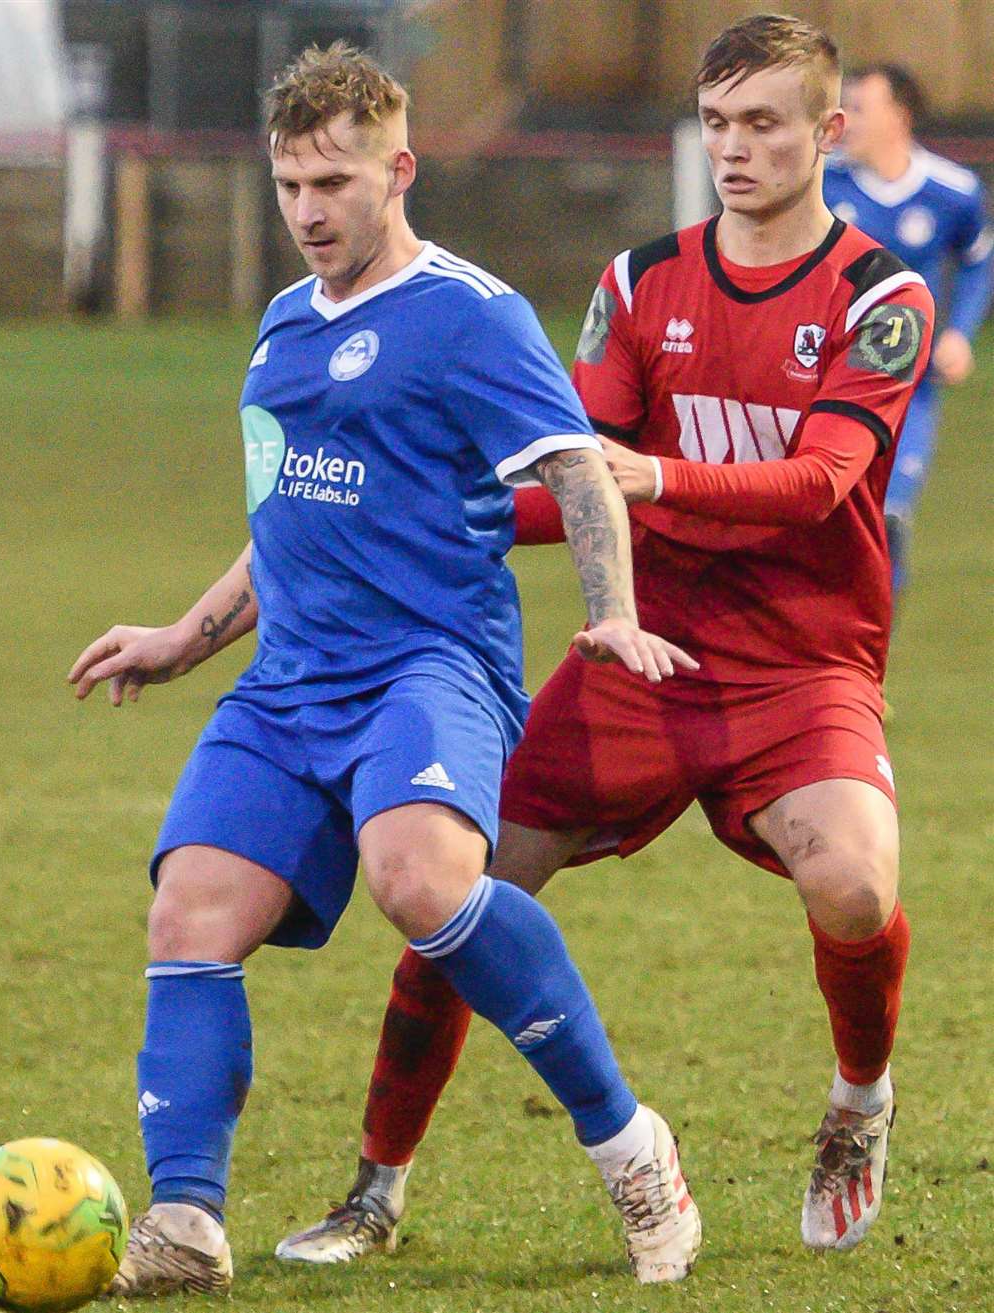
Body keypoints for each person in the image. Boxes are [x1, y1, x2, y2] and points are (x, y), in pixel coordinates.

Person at [274, 13, 935, 1266]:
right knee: (454, 889)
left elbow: (823, 480)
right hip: (640, 649)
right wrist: (407, 510)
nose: (736, 150)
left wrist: (652, 477)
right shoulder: (639, 283)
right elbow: (571, 478)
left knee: (855, 883)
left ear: (827, 134)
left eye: (766, 125)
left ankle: (859, 1098)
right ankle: (375, 1188)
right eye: (719, 124)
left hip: (803, 664)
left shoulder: (879, 294)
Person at [68, 42, 703, 1298]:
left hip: (430, 665)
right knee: (189, 911)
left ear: (398, 171)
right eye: (291, 182)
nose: (309, 210)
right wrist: (183, 639)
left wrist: (613, 613)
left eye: (336, 183)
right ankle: (186, 1223)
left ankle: (633, 1147)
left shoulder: (471, 315)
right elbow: (282, 518)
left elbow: (575, 465)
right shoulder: (280, 326)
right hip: (288, 684)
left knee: (420, 879)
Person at [824, 63, 992, 598]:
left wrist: (960, 332)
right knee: (820, 518)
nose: (846, 120)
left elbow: (979, 260)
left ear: (899, 115)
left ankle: (868, 667)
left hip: (909, 388)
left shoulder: (953, 190)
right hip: (822, 381)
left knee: (887, 519)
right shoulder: (822, 184)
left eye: (862, 107)